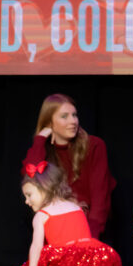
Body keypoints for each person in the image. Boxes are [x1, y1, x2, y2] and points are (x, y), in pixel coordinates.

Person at [0, 163, 133, 266]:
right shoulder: (77, 207)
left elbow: (36, 246)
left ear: (45, 188)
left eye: (29, 195)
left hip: (66, 261)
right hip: (93, 259)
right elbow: (86, 242)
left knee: (47, 258)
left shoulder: (42, 215)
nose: (26, 201)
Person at [23, 94, 115, 238]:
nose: (73, 121)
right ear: (49, 122)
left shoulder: (94, 146)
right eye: (64, 116)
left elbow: (100, 198)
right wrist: (40, 139)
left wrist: (88, 238)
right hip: (56, 232)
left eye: (74, 115)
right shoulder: (43, 151)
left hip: (89, 231)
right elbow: (31, 178)